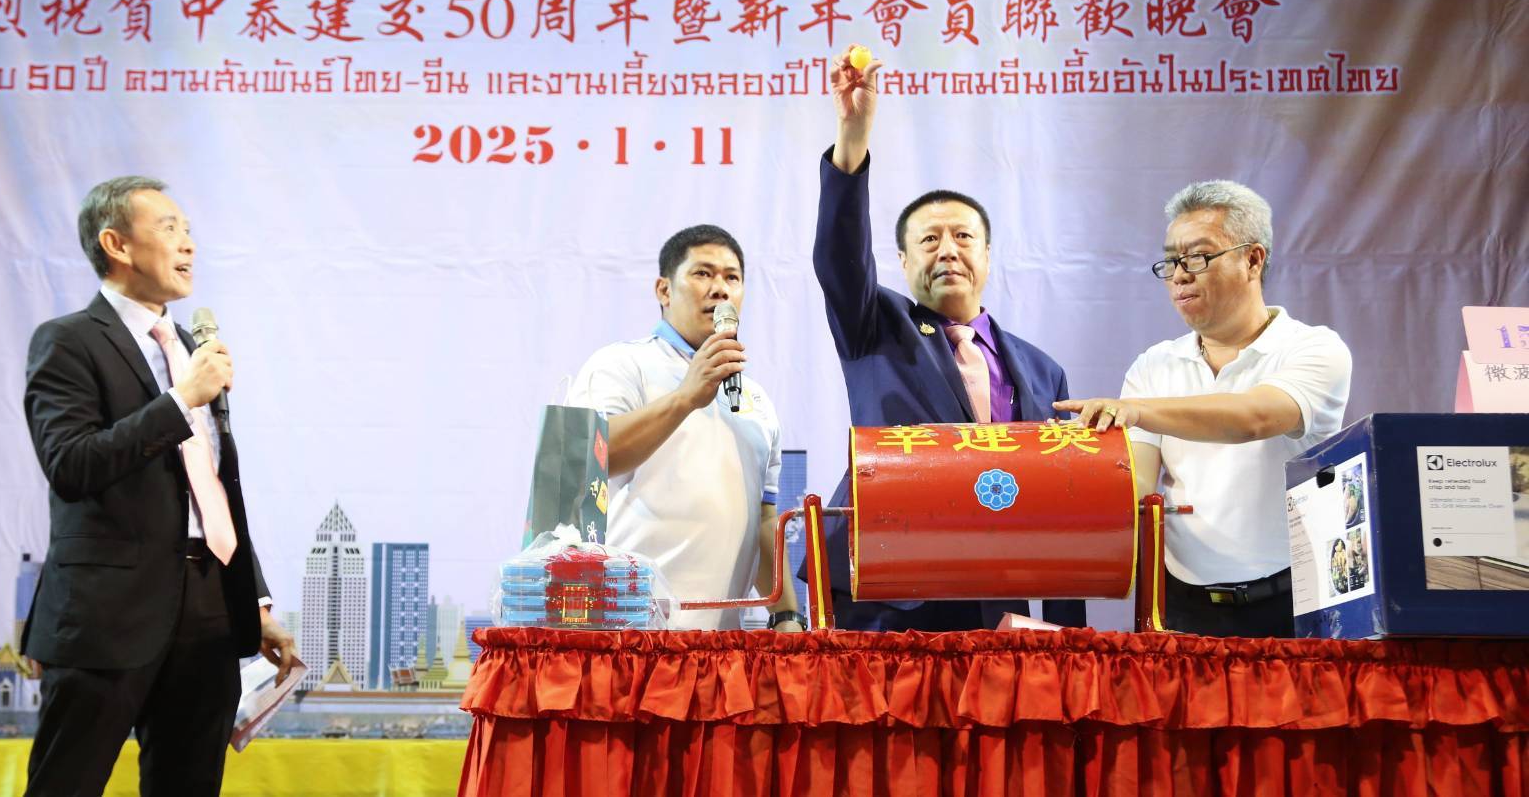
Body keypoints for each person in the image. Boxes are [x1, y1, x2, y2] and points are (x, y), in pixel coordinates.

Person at [20, 176, 296, 796]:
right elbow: (70, 465)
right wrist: (180, 400)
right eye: (169, 228)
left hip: (209, 608)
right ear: (116, 244)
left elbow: (212, 486)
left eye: (189, 230)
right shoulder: (68, 341)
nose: (188, 244)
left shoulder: (193, 347)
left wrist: (251, 599)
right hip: (107, 612)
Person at [811, 44, 1083, 631]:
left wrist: (1067, 630)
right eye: (929, 240)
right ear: (903, 261)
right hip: (890, 593)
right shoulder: (876, 324)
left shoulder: (1043, 371)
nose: (948, 250)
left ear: (988, 254)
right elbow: (839, 258)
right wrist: (852, 139)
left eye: (963, 236)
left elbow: (1061, 497)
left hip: (997, 595)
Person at [1056, 180, 1352, 638]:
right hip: (1183, 605)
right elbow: (1137, 486)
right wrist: (1064, 477)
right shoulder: (1154, 365)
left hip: (1295, 600)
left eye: (1197, 257)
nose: (1179, 276)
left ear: (1253, 259)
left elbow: (1254, 418)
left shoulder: (1313, 348)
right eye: (1171, 262)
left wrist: (1136, 411)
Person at [566, 225, 803, 631]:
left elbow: (763, 522)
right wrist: (685, 398)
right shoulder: (621, 365)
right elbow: (590, 464)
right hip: (629, 636)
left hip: (720, 642)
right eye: (703, 273)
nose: (720, 288)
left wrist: (785, 614)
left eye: (732, 278)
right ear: (663, 290)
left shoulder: (758, 401)